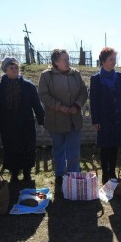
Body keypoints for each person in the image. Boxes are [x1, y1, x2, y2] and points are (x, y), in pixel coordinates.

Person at [38, 49, 88, 190]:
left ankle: (73, 175)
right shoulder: (46, 76)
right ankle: (60, 175)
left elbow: (84, 91)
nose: (68, 62)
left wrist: (77, 105)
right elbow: (43, 95)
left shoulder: (75, 74)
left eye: (68, 59)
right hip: (56, 120)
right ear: (55, 62)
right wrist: (60, 107)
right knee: (58, 149)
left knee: (74, 151)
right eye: (64, 60)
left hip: (74, 119)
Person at [0, 57, 45, 186]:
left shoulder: (28, 86)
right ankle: (14, 174)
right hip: (8, 126)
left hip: (26, 124)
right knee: (11, 149)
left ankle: (27, 173)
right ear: (5, 70)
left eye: (16, 67)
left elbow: (36, 104)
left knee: (28, 148)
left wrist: (41, 120)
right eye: (11, 68)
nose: (15, 70)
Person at [90, 47, 121, 184]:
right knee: (105, 146)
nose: (114, 61)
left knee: (114, 146)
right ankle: (105, 173)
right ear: (103, 61)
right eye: (111, 59)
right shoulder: (95, 79)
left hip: (118, 117)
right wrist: (95, 119)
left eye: (115, 59)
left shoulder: (119, 76)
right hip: (104, 118)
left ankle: (112, 172)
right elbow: (93, 100)